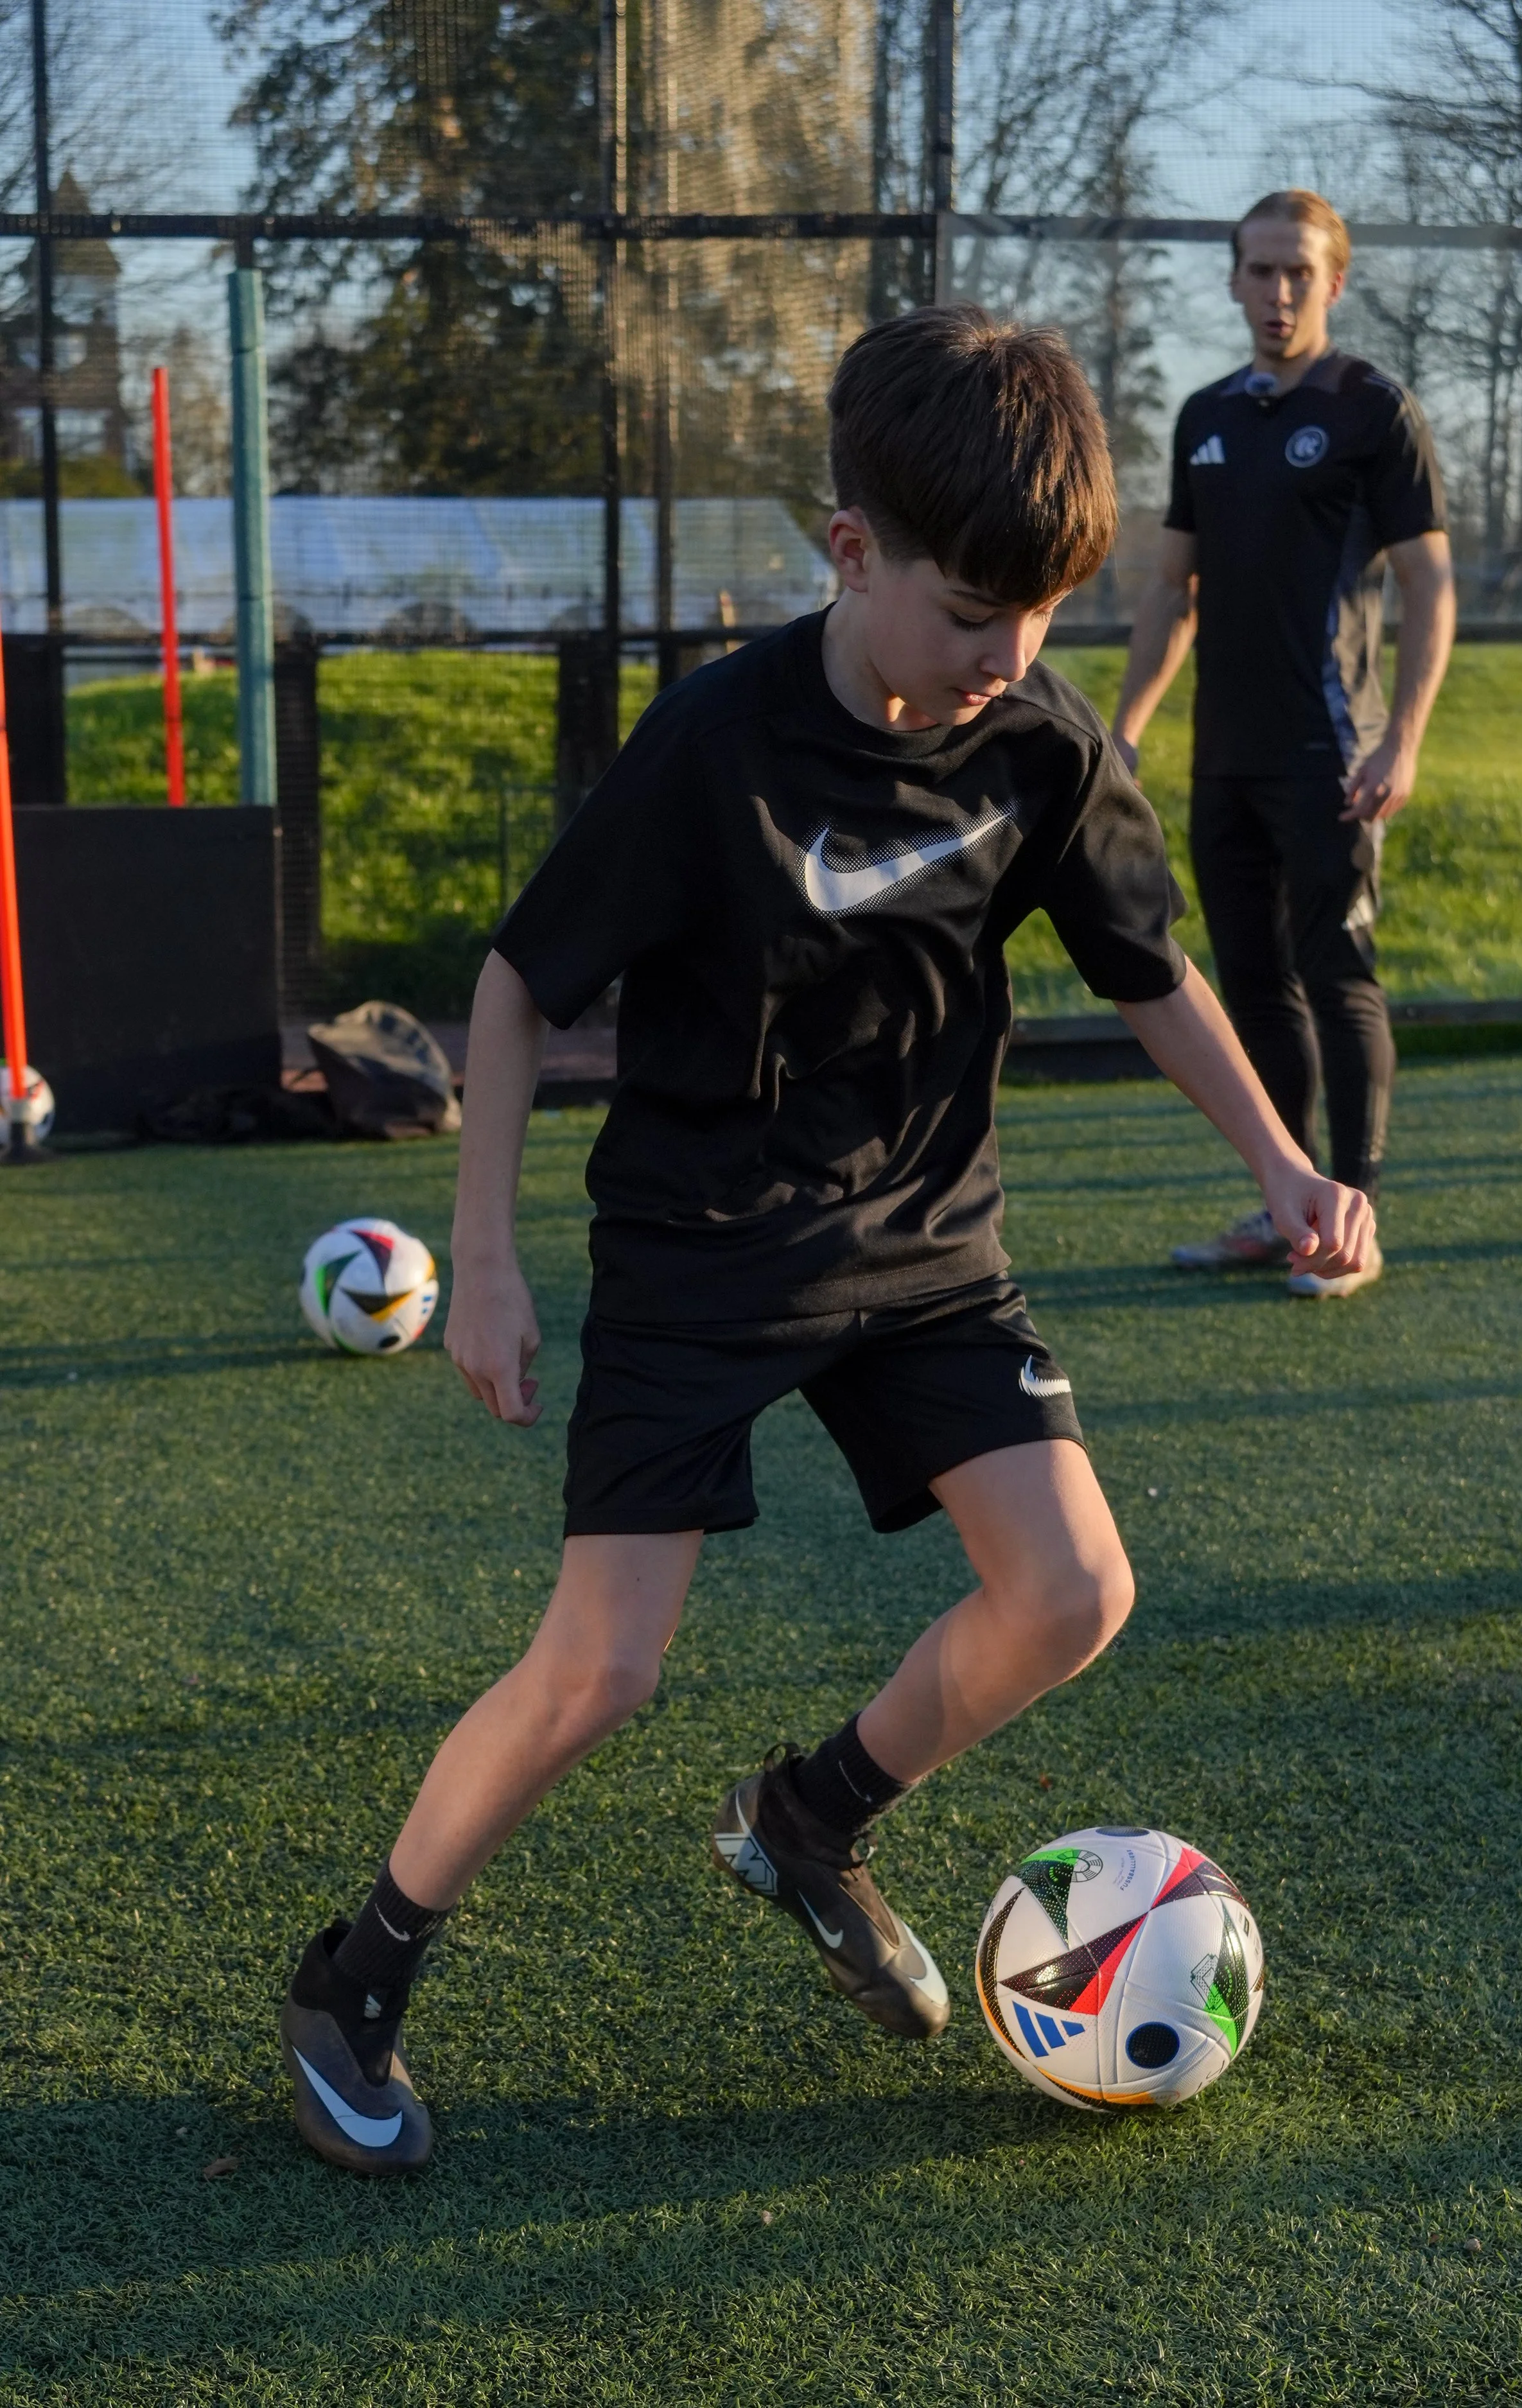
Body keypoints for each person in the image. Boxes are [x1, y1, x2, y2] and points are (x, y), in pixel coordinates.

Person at [277, 304, 1374, 2174]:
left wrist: (1280, 1163)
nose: (1003, 656)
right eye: (966, 612)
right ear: (848, 548)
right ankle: (354, 1972)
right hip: (702, 1247)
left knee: (1071, 1588)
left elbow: (1150, 970)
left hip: (925, 1236)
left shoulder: (1036, 735)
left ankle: (807, 1815)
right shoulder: (715, 739)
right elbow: (519, 982)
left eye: (1037, 615)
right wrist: (494, 1246)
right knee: (597, 1673)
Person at [1111, 189, 1455, 1297]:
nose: (1278, 292)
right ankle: (1284, 1205)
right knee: (1252, 986)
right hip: (1226, 758)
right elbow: (1172, 589)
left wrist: (1401, 740)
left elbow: (1428, 581)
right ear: (1233, 279)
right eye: (1260, 271)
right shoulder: (1204, 416)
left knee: (1338, 978)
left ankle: (1353, 1225)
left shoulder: (1373, 409)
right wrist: (1123, 732)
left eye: (1300, 272)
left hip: (1333, 758)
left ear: (1334, 282)